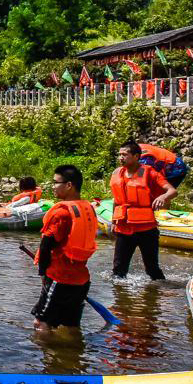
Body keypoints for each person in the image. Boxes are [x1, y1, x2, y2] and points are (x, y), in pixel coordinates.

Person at [33, 165, 100, 342]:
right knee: (71, 325)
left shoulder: (62, 213)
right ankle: (73, 360)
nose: (52, 186)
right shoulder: (88, 208)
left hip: (59, 277)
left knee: (41, 323)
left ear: (69, 185)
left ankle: (47, 362)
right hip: (81, 279)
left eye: (56, 182)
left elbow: (46, 245)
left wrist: (42, 274)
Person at [109, 139, 175, 281]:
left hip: (146, 230)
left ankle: (160, 295)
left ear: (136, 156)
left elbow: (172, 191)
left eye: (125, 154)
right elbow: (117, 200)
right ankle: (121, 302)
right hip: (124, 228)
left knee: (152, 269)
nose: (121, 158)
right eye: (119, 154)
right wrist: (113, 221)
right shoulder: (117, 174)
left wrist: (164, 197)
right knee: (118, 270)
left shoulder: (149, 173)